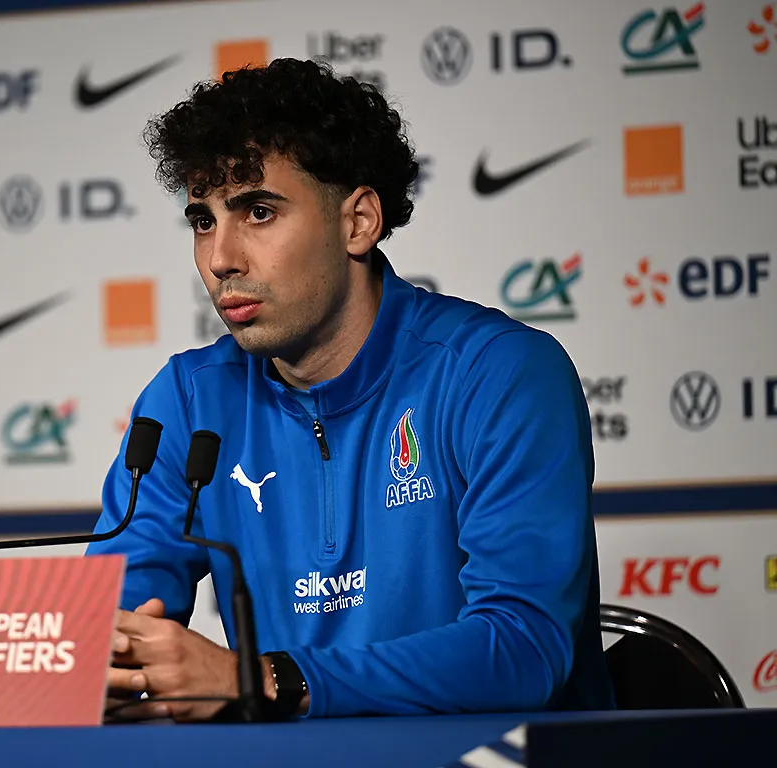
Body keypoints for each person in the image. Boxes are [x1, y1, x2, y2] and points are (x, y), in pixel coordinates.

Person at [86, 57, 614, 721]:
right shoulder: (188, 401)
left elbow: (523, 649)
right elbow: (113, 630)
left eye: (258, 212)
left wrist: (267, 681)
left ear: (358, 221)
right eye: (203, 221)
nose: (220, 258)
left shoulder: (499, 373)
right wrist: (112, 666)